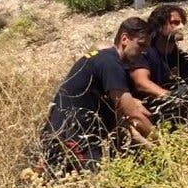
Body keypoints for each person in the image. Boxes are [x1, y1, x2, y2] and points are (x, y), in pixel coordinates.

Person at [40, 17, 154, 174]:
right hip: (74, 136)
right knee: (96, 187)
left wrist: (150, 147)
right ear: (124, 39)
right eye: (141, 45)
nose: (143, 51)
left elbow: (121, 119)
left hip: (63, 134)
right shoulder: (110, 63)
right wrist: (161, 141)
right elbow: (132, 113)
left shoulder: (101, 59)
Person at [126, 4, 188, 123]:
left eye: (182, 23)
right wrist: (171, 97)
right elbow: (142, 83)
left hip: (178, 113)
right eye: (175, 23)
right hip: (149, 111)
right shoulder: (145, 52)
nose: (181, 26)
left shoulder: (184, 59)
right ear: (160, 26)